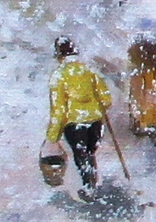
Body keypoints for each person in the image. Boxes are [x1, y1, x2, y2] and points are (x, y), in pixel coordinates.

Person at [46, 37, 113, 202]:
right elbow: (106, 99)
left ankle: (89, 186)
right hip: (95, 123)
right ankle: (92, 182)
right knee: (89, 152)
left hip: (75, 124)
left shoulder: (59, 76)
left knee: (80, 154)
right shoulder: (89, 71)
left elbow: (59, 110)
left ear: (59, 55)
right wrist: (95, 111)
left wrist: (53, 136)